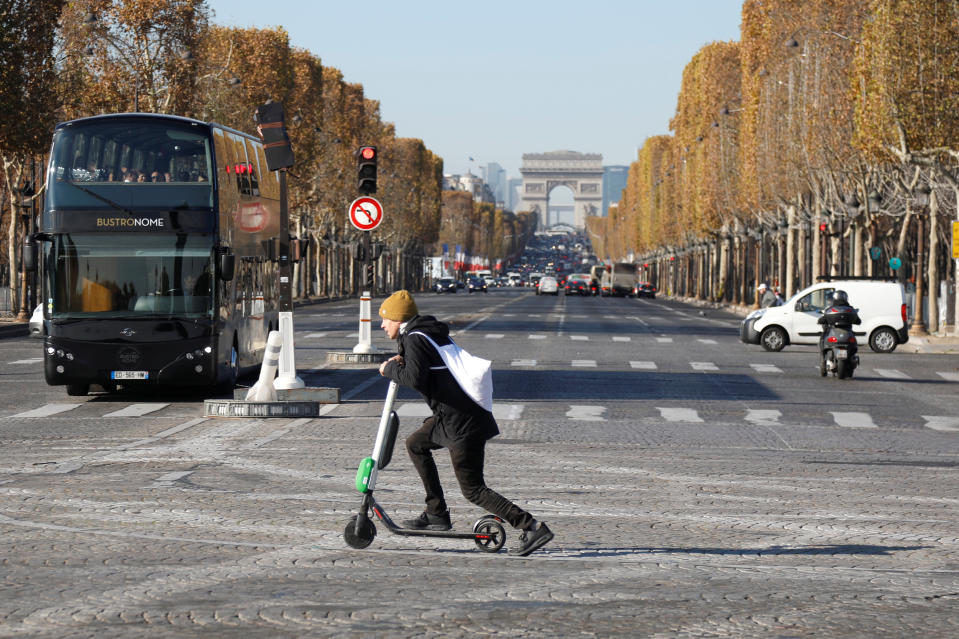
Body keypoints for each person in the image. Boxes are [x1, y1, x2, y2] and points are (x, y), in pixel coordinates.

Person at [377, 289, 554, 557]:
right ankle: (436, 513)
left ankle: (531, 526)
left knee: (473, 489)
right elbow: (424, 368)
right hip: (451, 417)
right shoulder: (424, 334)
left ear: (397, 318)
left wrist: (388, 369)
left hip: (461, 422)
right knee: (415, 444)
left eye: (385, 319)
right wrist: (400, 362)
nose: (381, 325)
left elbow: (415, 378)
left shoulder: (415, 338)